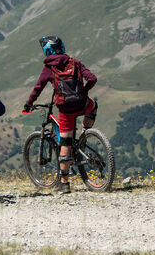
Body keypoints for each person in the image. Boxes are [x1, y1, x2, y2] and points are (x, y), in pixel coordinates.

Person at [22, 36, 98, 194]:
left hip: (65, 109)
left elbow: (38, 88)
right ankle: (85, 133)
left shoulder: (49, 68)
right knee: (93, 106)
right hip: (82, 103)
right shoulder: (74, 62)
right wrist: (84, 92)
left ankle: (64, 184)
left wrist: (29, 104)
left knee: (65, 143)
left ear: (47, 51)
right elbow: (92, 78)